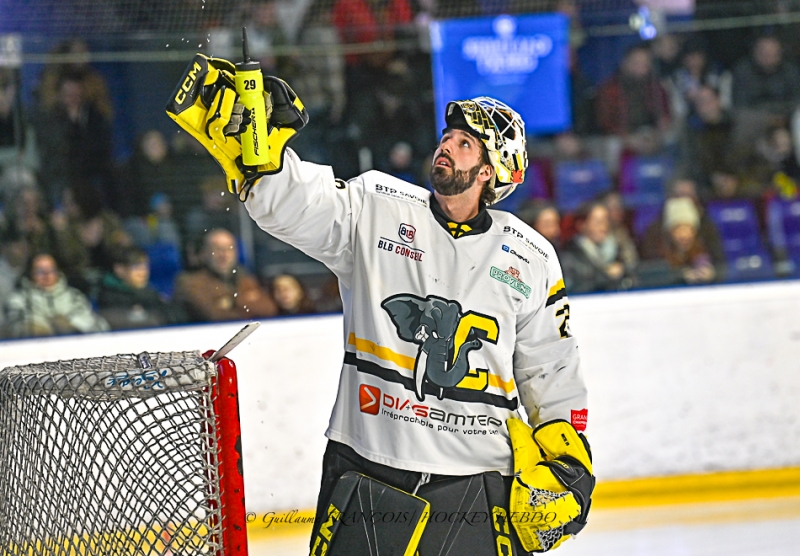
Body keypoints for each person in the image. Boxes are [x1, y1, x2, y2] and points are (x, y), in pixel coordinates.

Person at [167, 58, 594, 554]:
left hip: (478, 479)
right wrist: (267, 162)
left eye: (465, 144)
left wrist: (569, 457)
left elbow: (552, 370)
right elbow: (292, 206)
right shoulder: (377, 205)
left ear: (492, 170)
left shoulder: (533, 256)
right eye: (447, 137)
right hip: (368, 463)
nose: (446, 147)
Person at [173, 228, 278, 323]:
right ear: (205, 252)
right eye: (217, 249)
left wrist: (232, 301)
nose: (224, 254)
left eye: (229, 249)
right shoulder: (190, 282)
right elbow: (213, 315)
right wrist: (247, 302)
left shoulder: (246, 278)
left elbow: (268, 309)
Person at [3, 253, 109, 338]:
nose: (47, 275)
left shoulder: (74, 296)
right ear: (30, 273)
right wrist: (37, 328)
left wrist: (72, 326)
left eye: (51, 270)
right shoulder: (19, 299)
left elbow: (95, 324)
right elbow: (14, 325)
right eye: (40, 271)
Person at [96, 246, 185, 330]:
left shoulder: (149, 292)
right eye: (136, 267)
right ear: (119, 269)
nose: (143, 272)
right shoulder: (108, 297)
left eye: (145, 267)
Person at [560, 200, 633, 293]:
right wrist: (607, 275)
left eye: (606, 221)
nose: (603, 227)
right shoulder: (570, 255)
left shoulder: (618, 249)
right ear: (582, 225)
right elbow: (575, 286)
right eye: (598, 222)